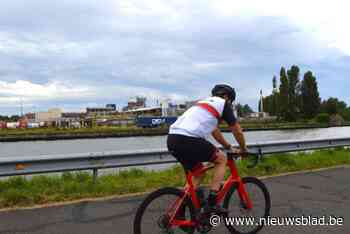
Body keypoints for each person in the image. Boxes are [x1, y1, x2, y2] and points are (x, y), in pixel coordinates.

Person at [167, 84, 248, 213]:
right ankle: (212, 202)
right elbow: (237, 130)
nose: (230, 104)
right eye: (231, 102)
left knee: (198, 173)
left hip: (172, 139)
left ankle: (177, 212)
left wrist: (228, 146)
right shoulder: (223, 103)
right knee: (221, 159)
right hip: (188, 138)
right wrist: (243, 149)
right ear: (227, 97)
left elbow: (215, 131)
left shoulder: (203, 104)